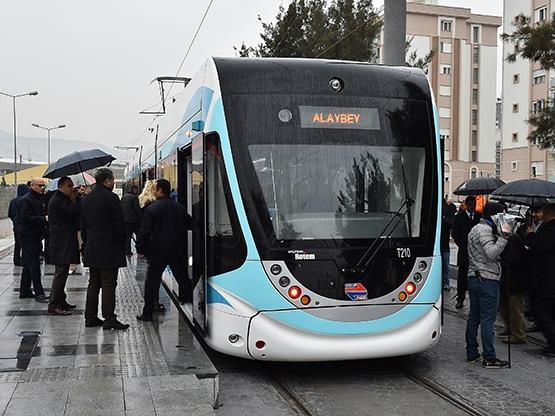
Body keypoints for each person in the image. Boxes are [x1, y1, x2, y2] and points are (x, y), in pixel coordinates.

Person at [135, 179, 192, 321]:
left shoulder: (152, 208)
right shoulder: (179, 207)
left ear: (160, 190)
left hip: (157, 251)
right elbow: (190, 224)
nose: (153, 190)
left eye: (155, 188)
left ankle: (147, 313)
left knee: (152, 282)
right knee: (183, 278)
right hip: (177, 249)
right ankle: (191, 302)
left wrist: (141, 248)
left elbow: (144, 232)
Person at [81, 168, 129, 330]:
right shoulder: (112, 198)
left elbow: (82, 225)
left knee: (93, 283)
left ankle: (90, 317)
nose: (114, 182)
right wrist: (123, 241)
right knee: (109, 284)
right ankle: (109, 318)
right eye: (113, 179)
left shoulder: (86, 199)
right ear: (107, 181)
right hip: (109, 247)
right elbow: (119, 224)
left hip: (92, 246)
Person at [465, 202, 510, 368]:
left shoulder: (475, 228)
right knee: (487, 320)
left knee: (474, 317)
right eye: (502, 215)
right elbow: (491, 253)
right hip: (487, 278)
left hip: (474, 277)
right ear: (494, 216)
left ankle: (472, 352)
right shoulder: (484, 230)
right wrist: (504, 238)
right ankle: (489, 357)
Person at [525, 203, 555, 357]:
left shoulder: (551, 229)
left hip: (548, 277)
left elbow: (540, 247)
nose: (539, 215)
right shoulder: (546, 227)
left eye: (541, 212)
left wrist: (530, 236)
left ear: (549, 214)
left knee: (541, 310)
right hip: (546, 277)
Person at [47, 177, 80, 315]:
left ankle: (61, 300)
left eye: (72, 185)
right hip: (61, 241)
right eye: (69, 185)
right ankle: (54, 304)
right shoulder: (58, 200)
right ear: (61, 186)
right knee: (60, 273)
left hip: (63, 240)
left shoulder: (61, 198)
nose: (71, 188)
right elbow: (73, 212)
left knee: (63, 271)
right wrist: (74, 198)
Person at [17, 178, 49, 302]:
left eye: (43, 186)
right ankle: (39, 292)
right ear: (32, 185)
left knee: (28, 263)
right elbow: (25, 217)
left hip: (34, 235)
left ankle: (24, 290)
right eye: (40, 186)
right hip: (28, 235)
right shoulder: (26, 200)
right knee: (34, 264)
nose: (42, 188)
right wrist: (43, 219)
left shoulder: (37, 199)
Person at [498, 220, 530, 344]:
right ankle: (510, 328)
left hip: (515, 278)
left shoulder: (514, 239)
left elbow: (514, 259)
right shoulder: (507, 238)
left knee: (515, 306)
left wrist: (504, 260)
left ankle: (519, 333)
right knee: (505, 305)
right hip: (507, 278)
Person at [452, 195, 481, 309]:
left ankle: (476, 300)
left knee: (476, 276)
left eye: (474, 205)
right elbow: (455, 234)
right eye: (470, 205)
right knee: (462, 277)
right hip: (464, 252)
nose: (472, 207)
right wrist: (463, 245)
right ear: (466, 205)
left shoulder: (479, 216)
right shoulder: (459, 217)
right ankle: (460, 298)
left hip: (477, 253)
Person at [8, 184, 29, 266]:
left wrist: (14, 220)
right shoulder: (25, 200)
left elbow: (9, 214)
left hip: (16, 226)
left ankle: (16, 260)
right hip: (24, 226)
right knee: (25, 244)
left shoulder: (13, 201)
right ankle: (24, 260)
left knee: (17, 244)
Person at [441, 197, 457, 291]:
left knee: (445, 265)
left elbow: (451, 224)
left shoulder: (447, 215)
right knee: (445, 265)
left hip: (444, 244)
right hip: (444, 244)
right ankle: (445, 282)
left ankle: (445, 282)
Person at [121, 185, 141, 256]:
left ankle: (127, 251)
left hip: (126, 221)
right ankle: (139, 250)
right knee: (139, 236)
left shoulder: (124, 197)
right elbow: (137, 209)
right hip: (134, 221)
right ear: (134, 190)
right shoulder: (134, 197)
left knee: (128, 237)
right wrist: (140, 218)